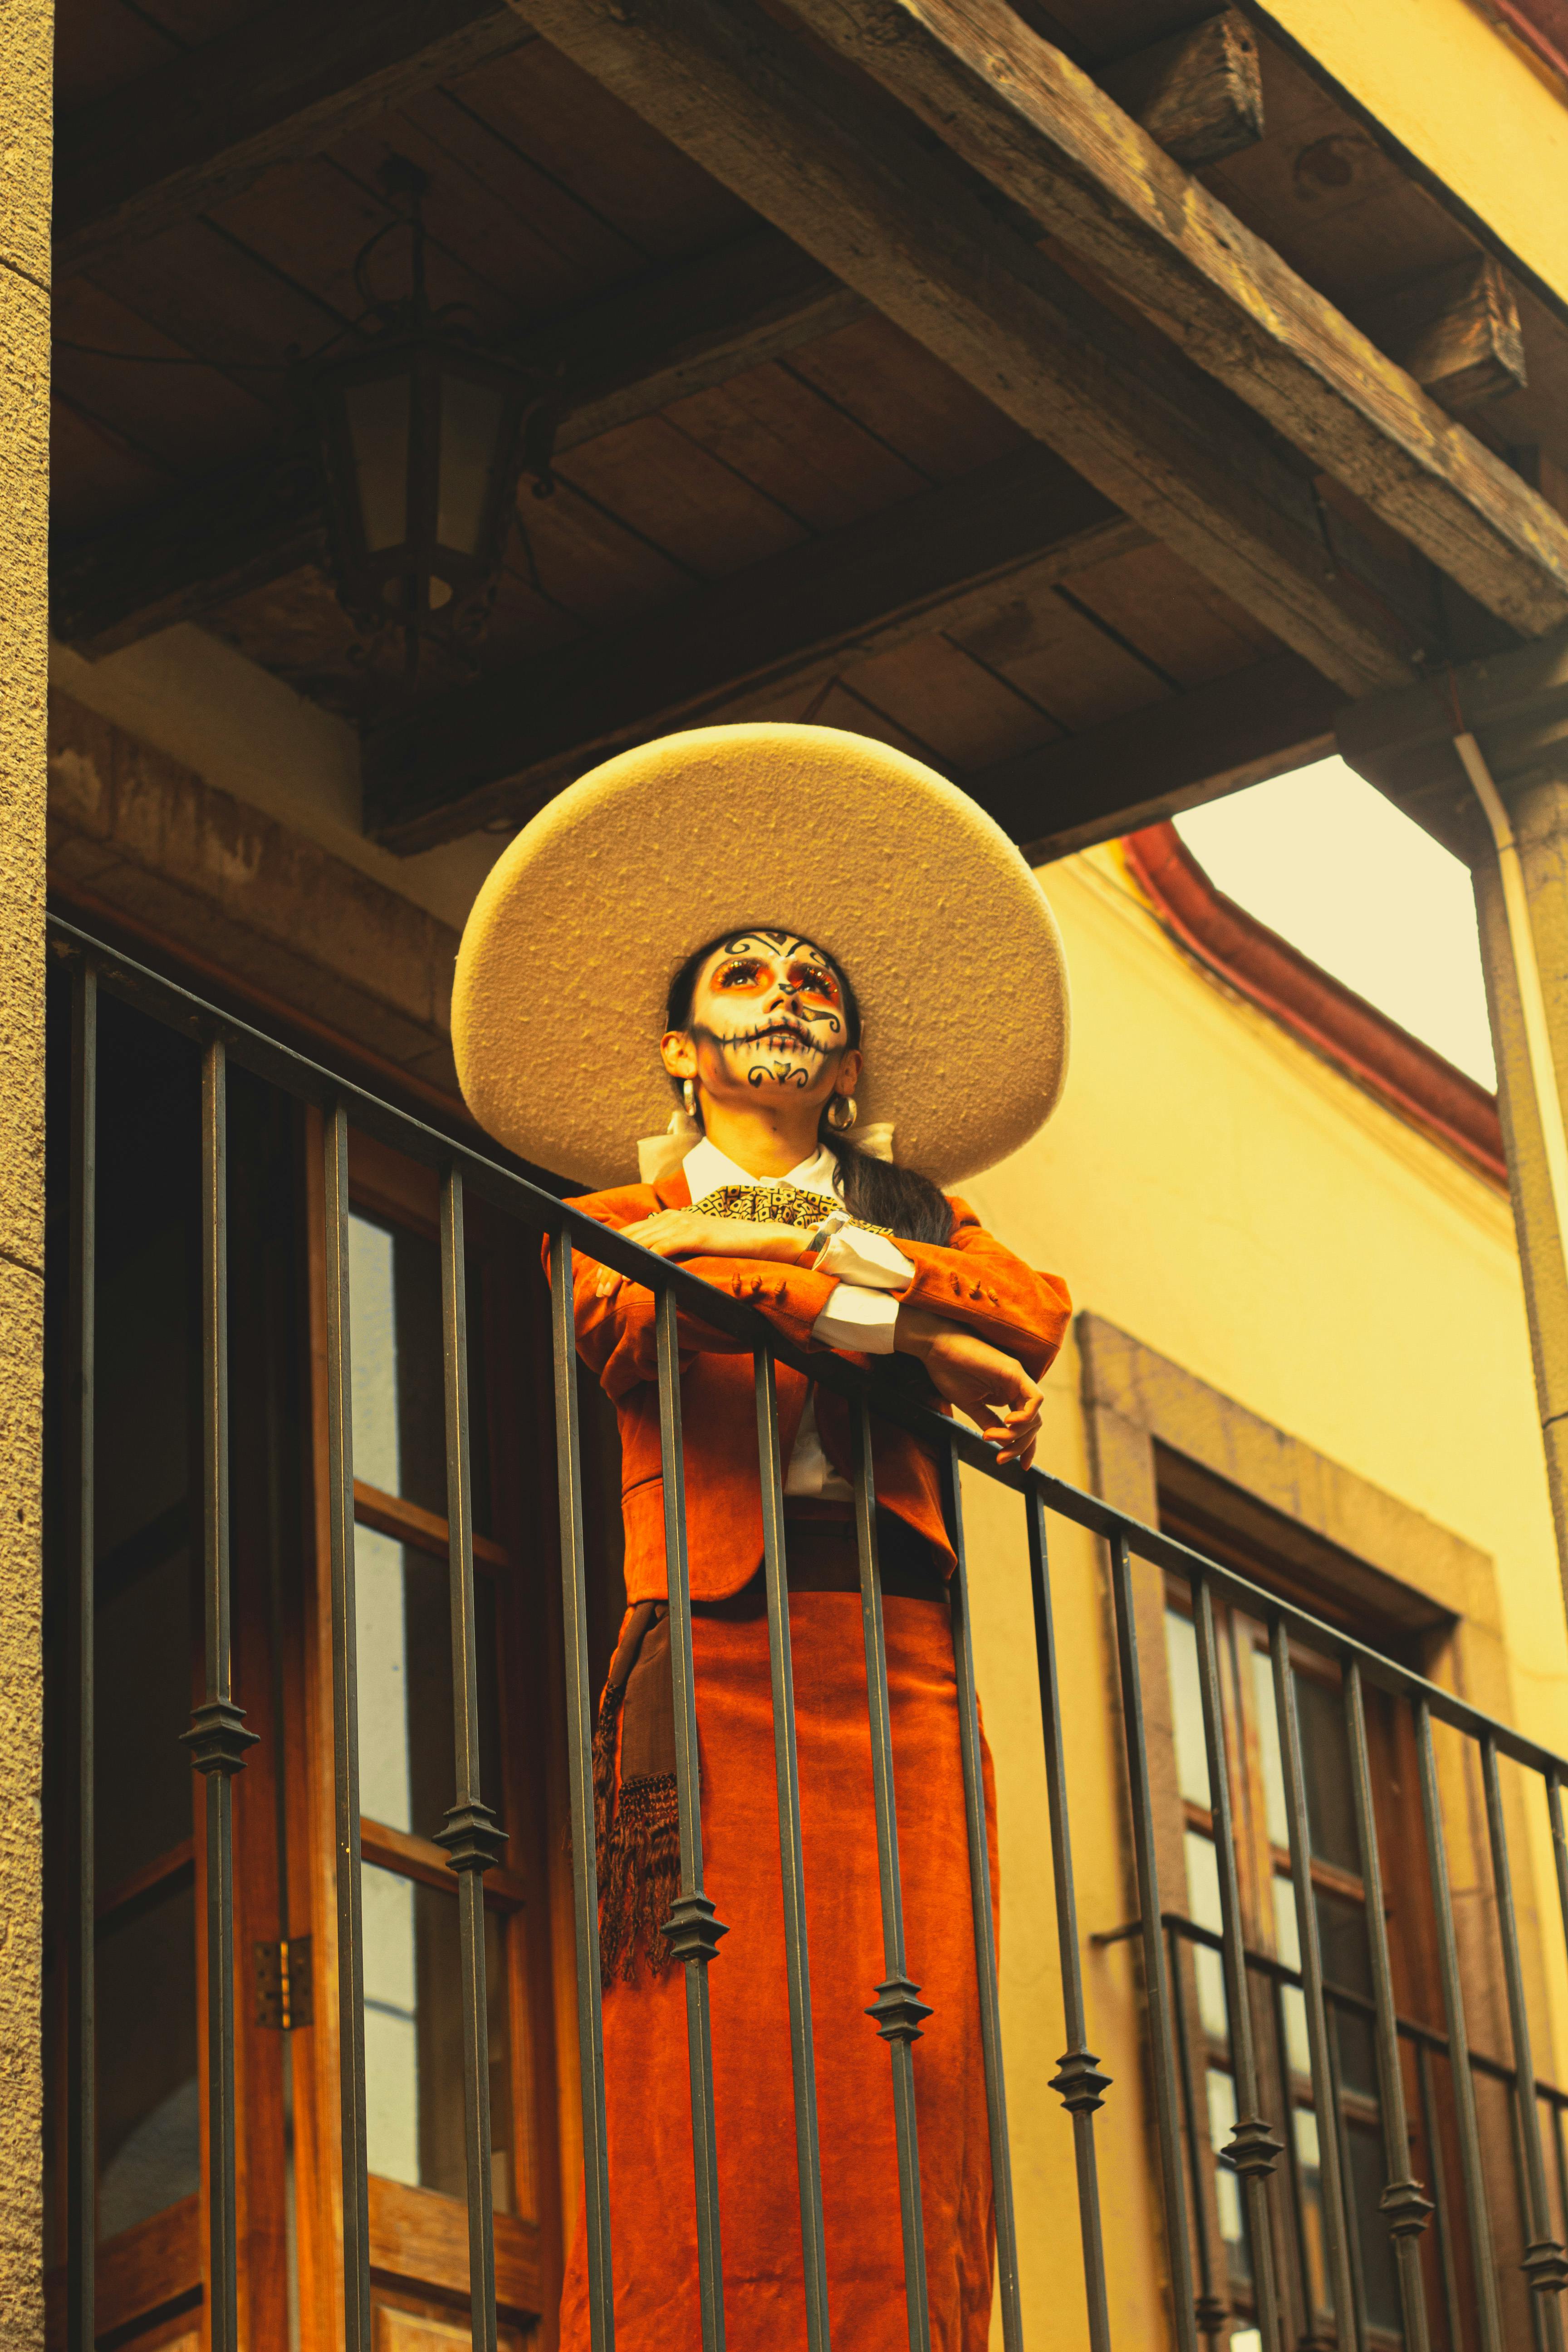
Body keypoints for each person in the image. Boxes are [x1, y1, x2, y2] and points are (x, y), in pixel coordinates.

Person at [451, 723, 1073, 2352]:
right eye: (746, 974)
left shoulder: (929, 1218)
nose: (789, 991)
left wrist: (858, 1283)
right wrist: (908, 1333)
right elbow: (667, 1301)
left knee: (918, 2039)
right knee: (717, 2031)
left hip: (902, 1660)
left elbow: (1028, 1313)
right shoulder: (615, 1228)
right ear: (680, 1050)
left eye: (818, 983)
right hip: (716, 1654)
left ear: (853, 1069)